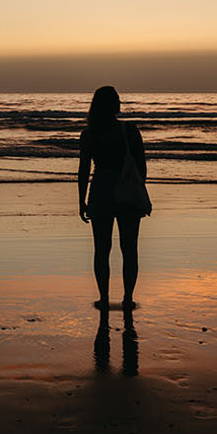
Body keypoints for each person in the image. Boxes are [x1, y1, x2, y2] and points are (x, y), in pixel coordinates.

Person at [77, 85, 146, 308]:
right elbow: (141, 166)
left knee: (102, 249)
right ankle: (128, 298)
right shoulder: (129, 131)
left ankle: (104, 298)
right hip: (126, 190)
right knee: (129, 248)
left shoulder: (89, 134)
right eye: (116, 99)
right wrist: (137, 189)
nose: (120, 103)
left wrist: (81, 200)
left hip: (100, 190)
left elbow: (84, 169)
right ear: (111, 104)